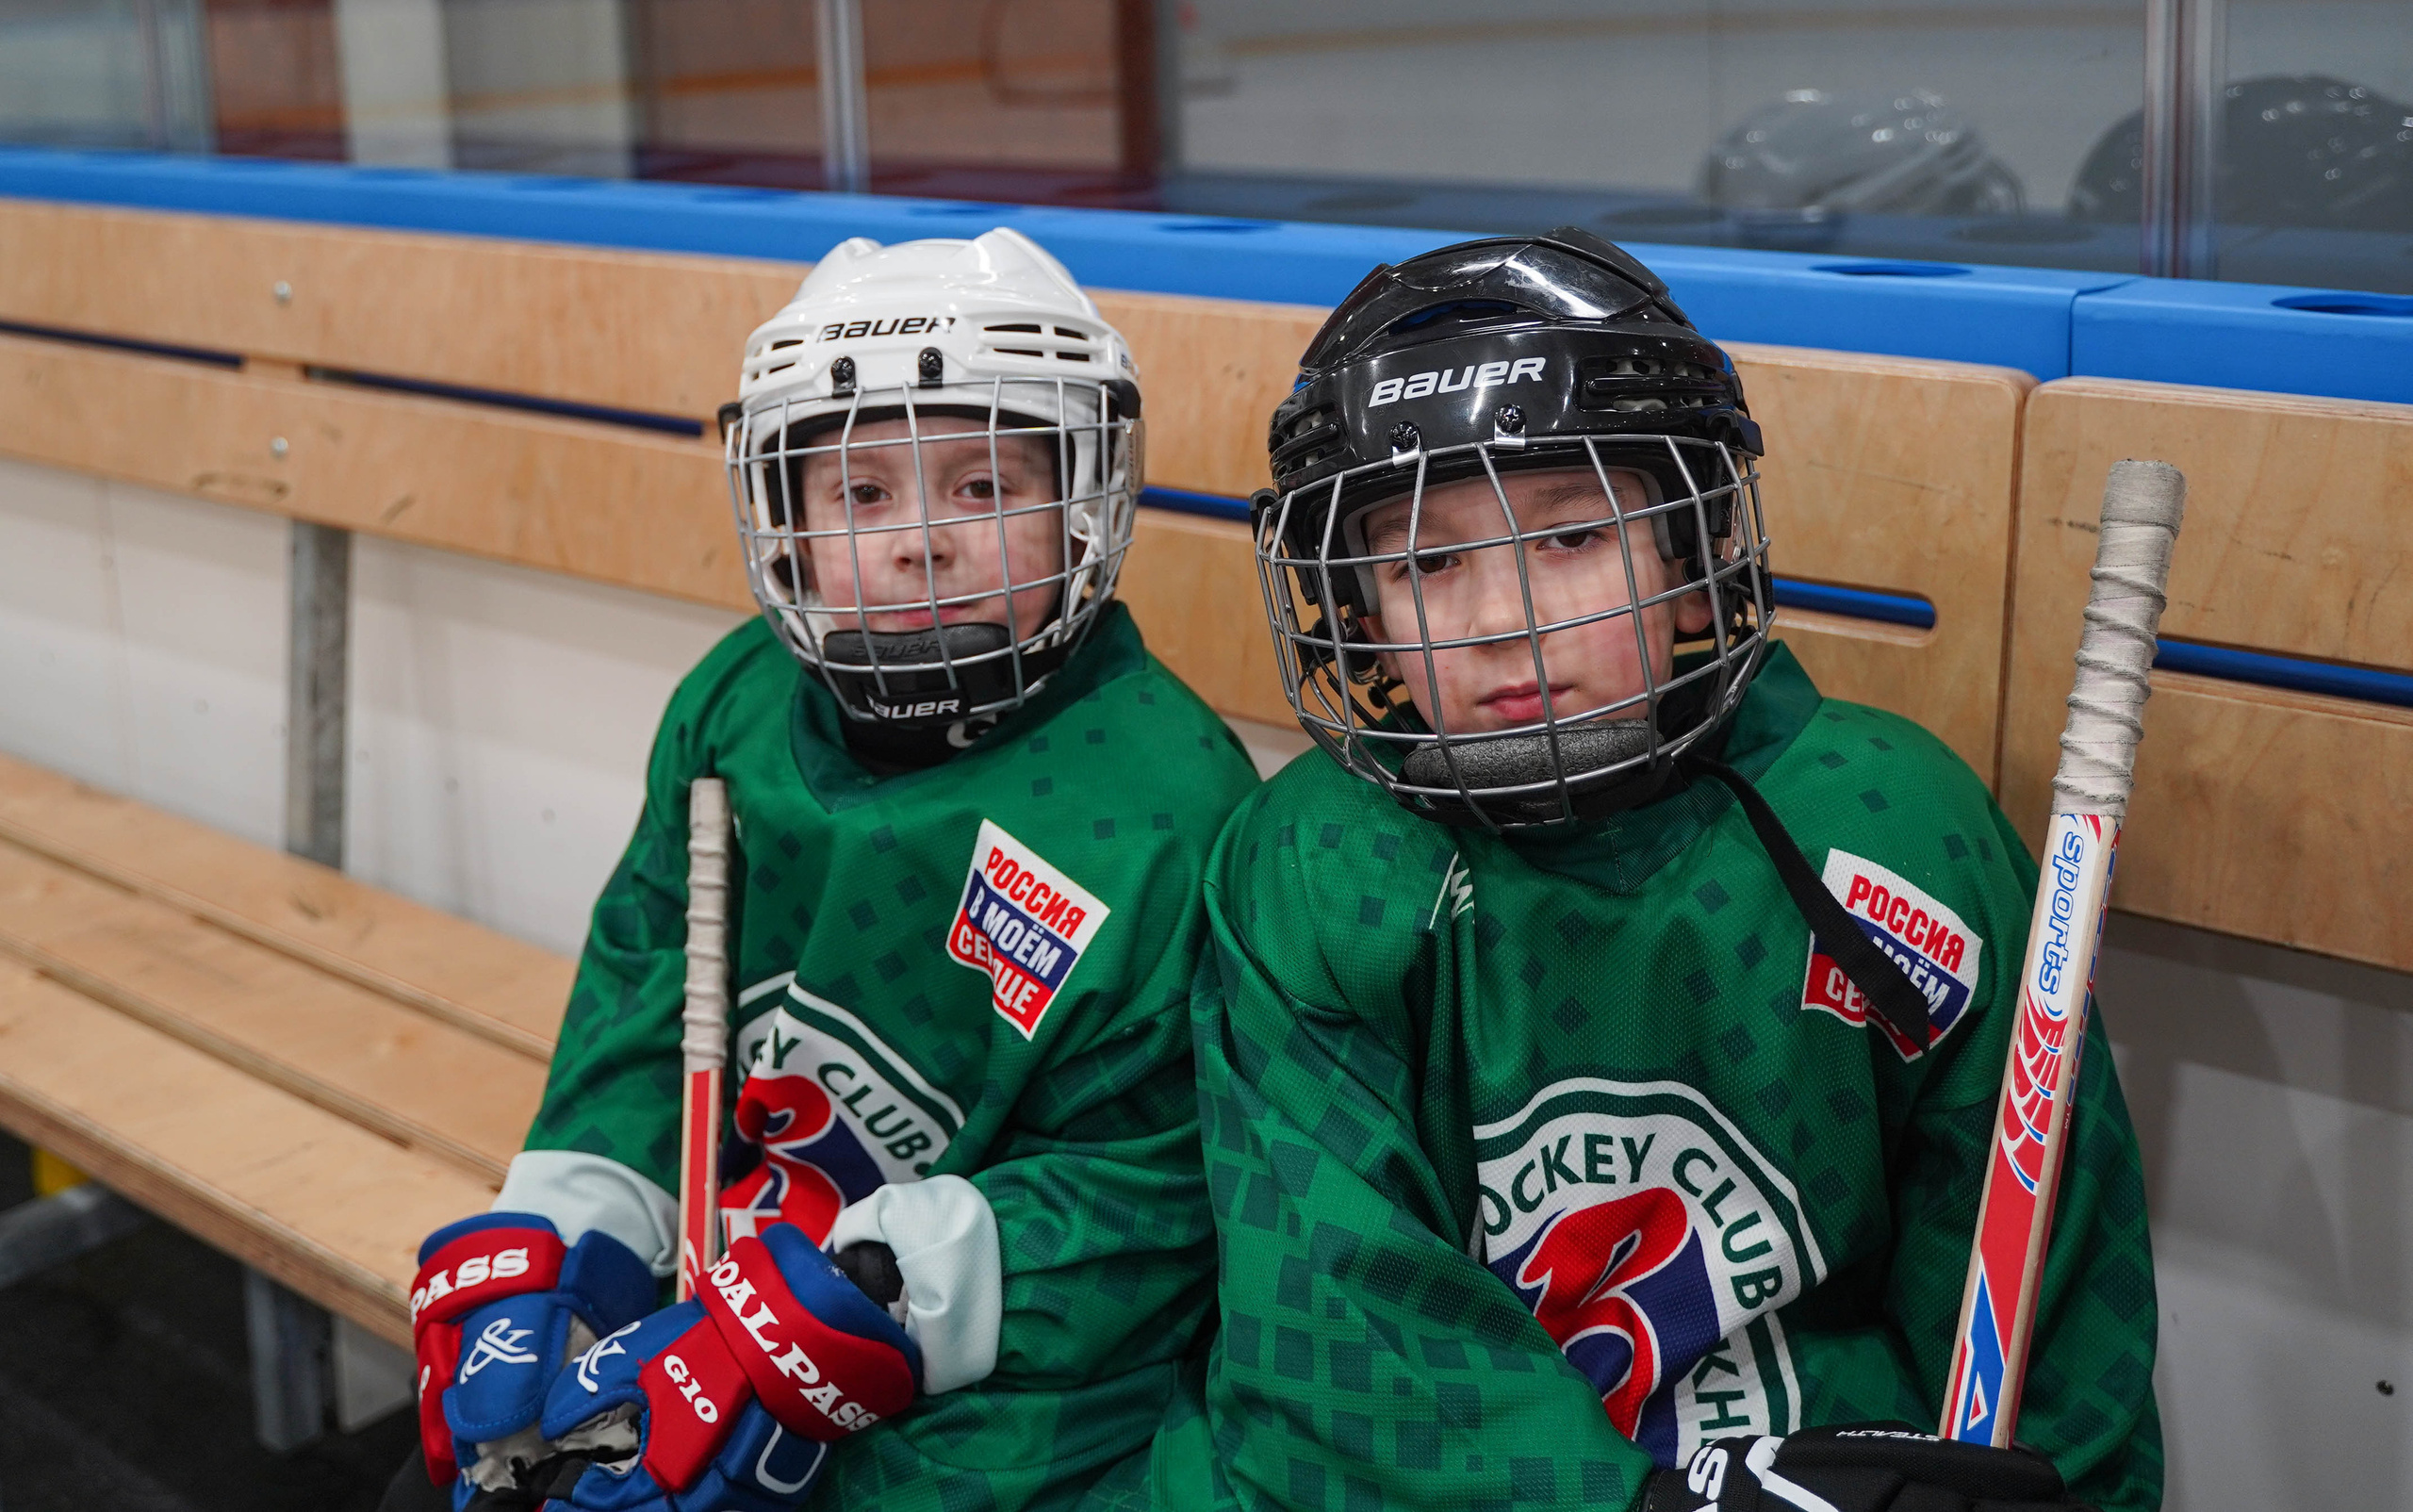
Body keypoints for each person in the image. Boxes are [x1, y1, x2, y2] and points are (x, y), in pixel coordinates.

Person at [1188, 227, 2160, 1512]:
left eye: (1571, 538)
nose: (1503, 621)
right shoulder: (1318, 869)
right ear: (1355, 613)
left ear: (1695, 564)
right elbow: (1334, 1317)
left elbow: (2052, 1305)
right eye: (1427, 562)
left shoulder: (1887, 829)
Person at [386, 227, 1260, 1511]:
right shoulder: (735, 708)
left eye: (982, 485)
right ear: (785, 518)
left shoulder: (1167, 807)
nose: (922, 541)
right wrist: (573, 1242)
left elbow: (1154, 1194)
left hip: (1007, 1377)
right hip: (726, 1283)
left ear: (1084, 495)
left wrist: (870, 1296)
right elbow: (644, 1013)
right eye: (861, 493)